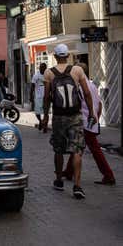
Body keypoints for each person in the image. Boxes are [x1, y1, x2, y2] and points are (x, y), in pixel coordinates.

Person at [42, 44, 95, 200]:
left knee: (58, 149)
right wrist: (91, 112)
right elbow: (86, 93)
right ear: (67, 55)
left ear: (56, 56)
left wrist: (45, 117)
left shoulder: (48, 73)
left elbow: (46, 97)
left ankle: (59, 180)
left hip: (58, 117)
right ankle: (77, 186)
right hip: (75, 116)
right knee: (77, 150)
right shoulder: (77, 70)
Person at [62, 63, 115, 186]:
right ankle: (69, 172)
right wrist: (96, 117)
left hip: (84, 122)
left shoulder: (80, 87)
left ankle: (108, 175)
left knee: (92, 149)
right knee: (78, 147)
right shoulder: (92, 85)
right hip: (90, 121)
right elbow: (99, 104)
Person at [30, 63, 47, 132]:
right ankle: (40, 121)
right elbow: (32, 87)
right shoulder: (36, 76)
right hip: (38, 96)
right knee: (37, 112)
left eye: (44, 67)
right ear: (39, 68)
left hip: (46, 96)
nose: (42, 69)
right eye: (41, 67)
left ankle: (45, 126)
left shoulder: (47, 75)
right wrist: (31, 96)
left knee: (46, 112)